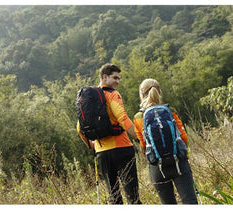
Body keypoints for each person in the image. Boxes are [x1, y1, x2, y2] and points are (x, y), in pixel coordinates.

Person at [77, 63, 142, 204]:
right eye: (115, 78)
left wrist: (92, 145)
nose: (117, 82)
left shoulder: (89, 99)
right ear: (105, 77)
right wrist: (141, 139)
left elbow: (80, 128)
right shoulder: (113, 94)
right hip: (122, 149)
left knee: (114, 197)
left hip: (102, 154)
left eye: (119, 78)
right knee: (133, 196)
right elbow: (123, 118)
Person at [133, 78, 198, 204]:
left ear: (141, 95)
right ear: (159, 92)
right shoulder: (170, 111)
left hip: (157, 167)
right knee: (190, 201)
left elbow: (143, 144)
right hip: (179, 162)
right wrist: (184, 154)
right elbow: (183, 137)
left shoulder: (138, 117)